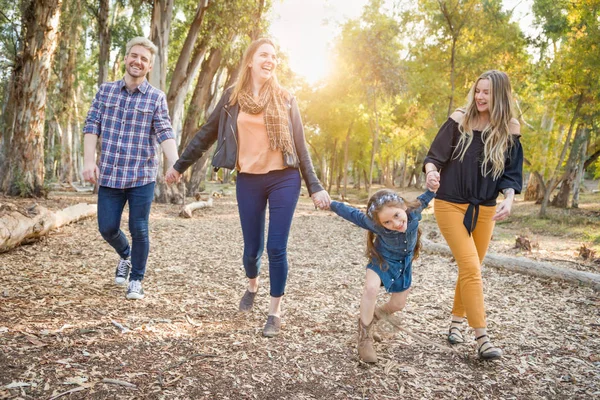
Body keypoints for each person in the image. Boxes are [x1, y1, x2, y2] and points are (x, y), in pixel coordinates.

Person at [165, 38, 330, 337]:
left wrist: (315, 187)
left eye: (275, 57)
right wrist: (179, 166)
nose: (271, 60)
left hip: (284, 178)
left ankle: (274, 312)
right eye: (264, 55)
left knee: (276, 247)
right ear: (251, 61)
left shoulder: (285, 98)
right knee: (251, 250)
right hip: (249, 180)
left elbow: (301, 147)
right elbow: (206, 135)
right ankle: (252, 283)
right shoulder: (232, 98)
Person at [423, 70, 523, 360]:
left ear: (500, 96)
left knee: (471, 269)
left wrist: (510, 198)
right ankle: (482, 338)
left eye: (487, 92)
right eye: (477, 91)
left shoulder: (510, 128)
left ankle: (456, 323)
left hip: (485, 209)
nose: (480, 97)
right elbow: (434, 157)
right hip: (450, 204)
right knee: (471, 267)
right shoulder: (459, 120)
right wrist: (431, 174)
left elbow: (511, 173)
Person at [83, 37, 179, 300]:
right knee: (107, 228)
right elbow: (92, 125)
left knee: (139, 228)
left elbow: (165, 132)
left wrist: (175, 162)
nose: (138, 61)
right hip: (111, 175)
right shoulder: (106, 91)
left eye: (144, 59)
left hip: (141, 176)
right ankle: (126, 255)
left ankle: (136, 279)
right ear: (125, 59)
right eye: (134, 56)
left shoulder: (156, 98)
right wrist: (89, 161)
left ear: (149, 66)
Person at [326, 186, 437, 363]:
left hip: (403, 264)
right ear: (379, 223)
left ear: (403, 207)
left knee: (398, 304)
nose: (395, 224)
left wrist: (433, 185)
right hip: (382, 260)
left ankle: (372, 317)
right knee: (370, 289)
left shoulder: (414, 211)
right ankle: (364, 338)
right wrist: (330, 204)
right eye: (387, 223)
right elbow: (352, 213)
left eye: (396, 216)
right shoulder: (374, 224)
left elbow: (429, 193)